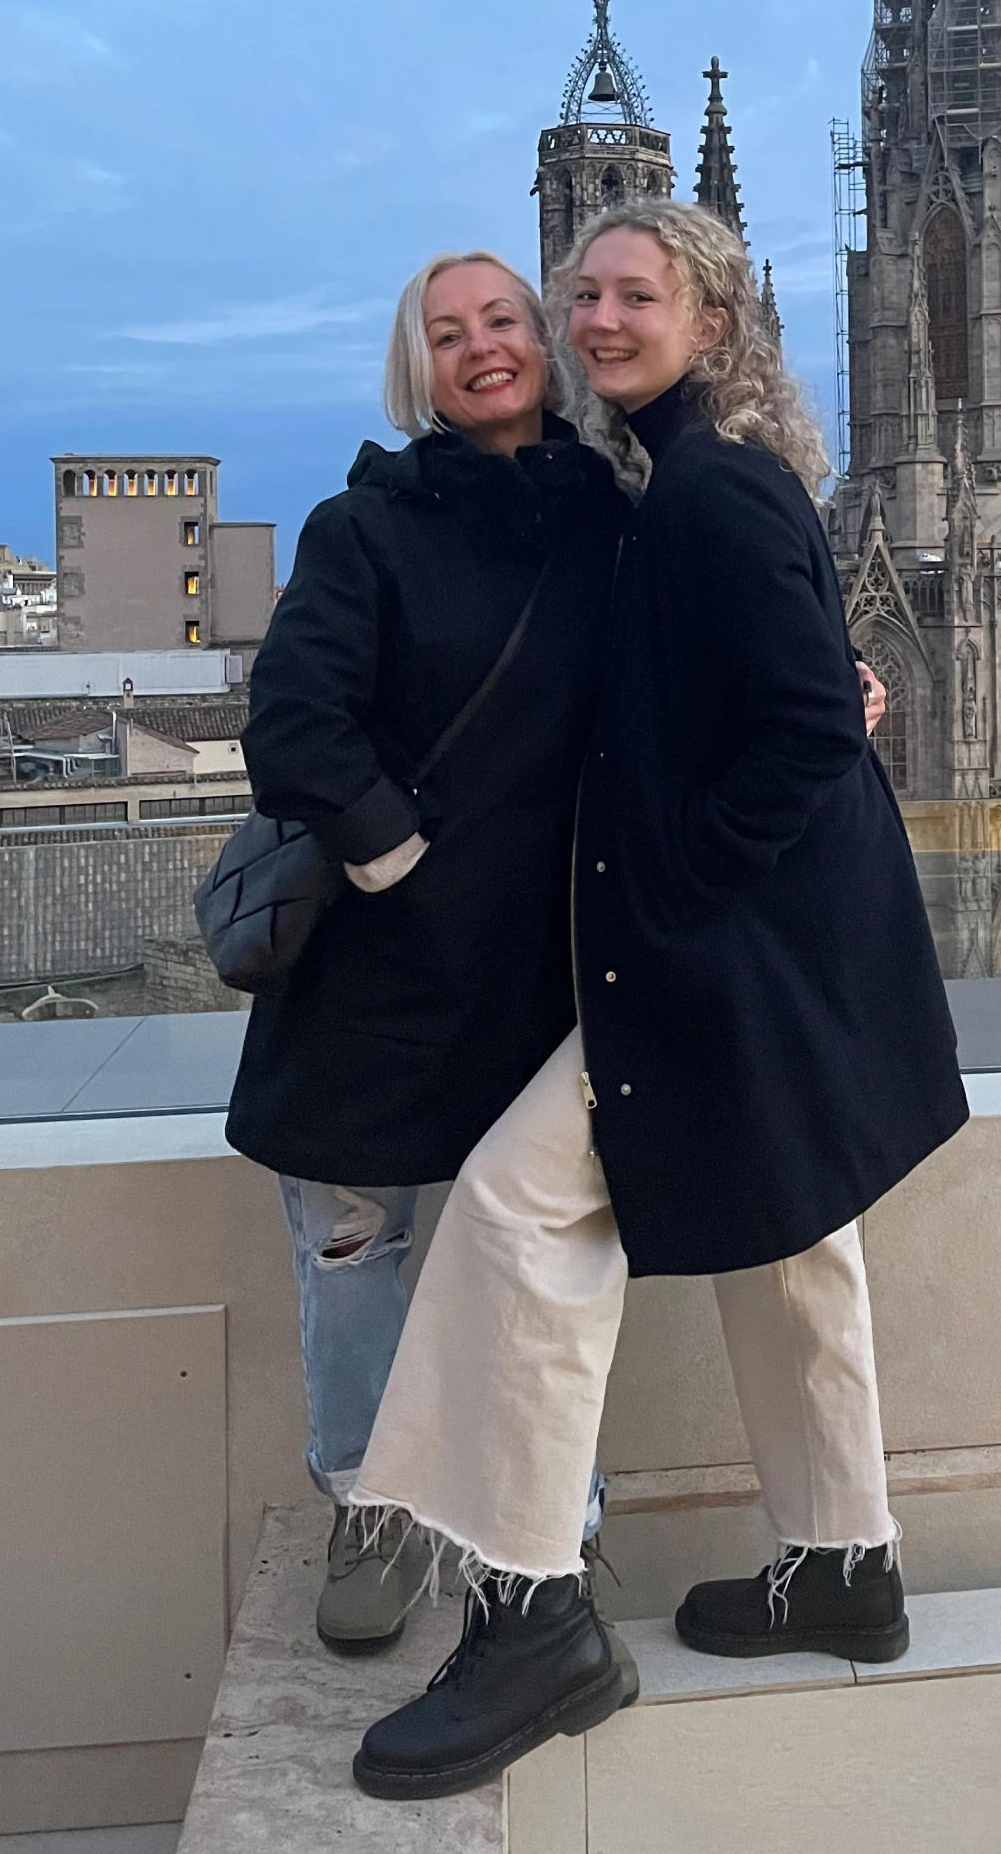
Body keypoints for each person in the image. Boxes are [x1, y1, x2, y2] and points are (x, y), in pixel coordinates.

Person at [348, 200, 968, 1802]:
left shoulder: (709, 487)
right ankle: (844, 1561)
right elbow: (797, 693)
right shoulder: (683, 479)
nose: (603, 320)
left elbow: (804, 727)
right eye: (588, 296)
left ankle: (534, 1615)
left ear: (713, 322)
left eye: (638, 295)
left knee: (513, 1214)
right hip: (779, 952)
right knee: (795, 1237)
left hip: (720, 951)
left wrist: (682, 883)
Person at [226, 252, 628, 1654]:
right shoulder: (366, 525)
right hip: (378, 979)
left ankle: (550, 1525)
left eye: (502, 321)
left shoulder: (618, 517)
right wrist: (398, 859)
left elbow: (705, 671)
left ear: (546, 338)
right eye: (446, 335)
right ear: (420, 371)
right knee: (357, 1255)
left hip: (547, 976)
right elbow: (294, 722)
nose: (481, 348)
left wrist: (838, 685)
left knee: (544, 1265)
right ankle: (373, 1508)